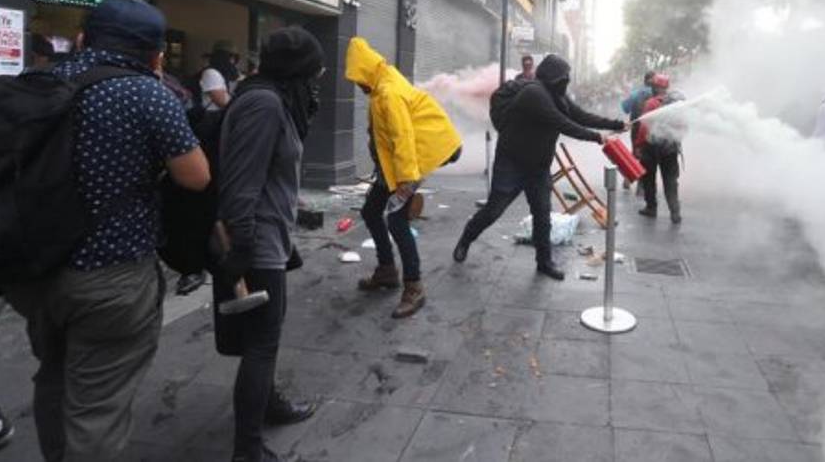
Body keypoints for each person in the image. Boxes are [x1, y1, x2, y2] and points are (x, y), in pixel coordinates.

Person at [3, 0, 210, 462]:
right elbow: (196, 176)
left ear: (80, 40)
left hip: (34, 269)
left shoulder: (35, 82)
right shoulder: (147, 94)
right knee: (96, 404)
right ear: (156, 56)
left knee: (53, 375)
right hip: (110, 277)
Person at [215, 27, 324, 462]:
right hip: (255, 240)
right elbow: (242, 183)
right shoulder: (263, 103)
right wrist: (241, 247)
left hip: (269, 234)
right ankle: (248, 450)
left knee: (267, 336)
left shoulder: (271, 97)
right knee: (261, 343)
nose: (317, 80)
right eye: (314, 71)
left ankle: (271, 405)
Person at [453, 54, 625, 279]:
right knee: (494, 210)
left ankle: (544, 263)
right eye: (564, 77)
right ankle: (466, 239)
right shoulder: (534, 93)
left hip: (538, 167)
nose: (566, 81)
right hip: (511, 164)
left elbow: (581, 116)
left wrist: (616, 124)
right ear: (553, 76)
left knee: (542, 215)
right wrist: (597, 138)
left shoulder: (556, 95)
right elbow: (563, 123)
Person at [345, 38, 463, 318]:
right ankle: (387, 271)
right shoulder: (380, 83)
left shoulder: (388, 93)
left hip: (420, 154)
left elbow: (403, 137)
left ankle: (414, 287)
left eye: (357, 79)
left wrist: (405, 183)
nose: (358, 85)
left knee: (396, 220)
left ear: (366, 72)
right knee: (371, 211)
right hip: (399, 162)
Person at [636, 74, 685, 224]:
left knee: (649, 179)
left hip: (651, 147)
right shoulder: (676, 104)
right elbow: (683, 126)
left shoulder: (651, 103)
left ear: (654, 87)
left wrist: (638, 144)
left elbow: (644, 126)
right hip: (670, 147)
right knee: (670, 180)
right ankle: (675, 211)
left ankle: (651, 208)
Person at [621, 71, 656, 190]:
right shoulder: (657, 94)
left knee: (635, 153)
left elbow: (625, 108)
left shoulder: (636, 93)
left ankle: (628, 178)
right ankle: (641, 184)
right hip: (652, 129)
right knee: (647, 156)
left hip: (636, 128)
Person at [200, 39, 242, 111]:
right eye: (230, 57)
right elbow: (222, 102)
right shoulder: (211, 73)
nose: (233, 61)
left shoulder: (227, 73)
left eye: (234, 58)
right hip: (213, 116)